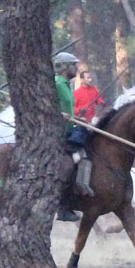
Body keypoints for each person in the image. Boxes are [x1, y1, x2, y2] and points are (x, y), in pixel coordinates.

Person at [53, 51, 86, 221]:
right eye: (73, 65)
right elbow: (47, 107)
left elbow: (67, 108)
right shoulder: (57, 84)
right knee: (71, 162)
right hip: (57, 134)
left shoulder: (66, 84)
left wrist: (76, 118)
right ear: (65, 67)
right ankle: (63, 205)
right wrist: (59, 115)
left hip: (69, 130)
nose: (76, 68)